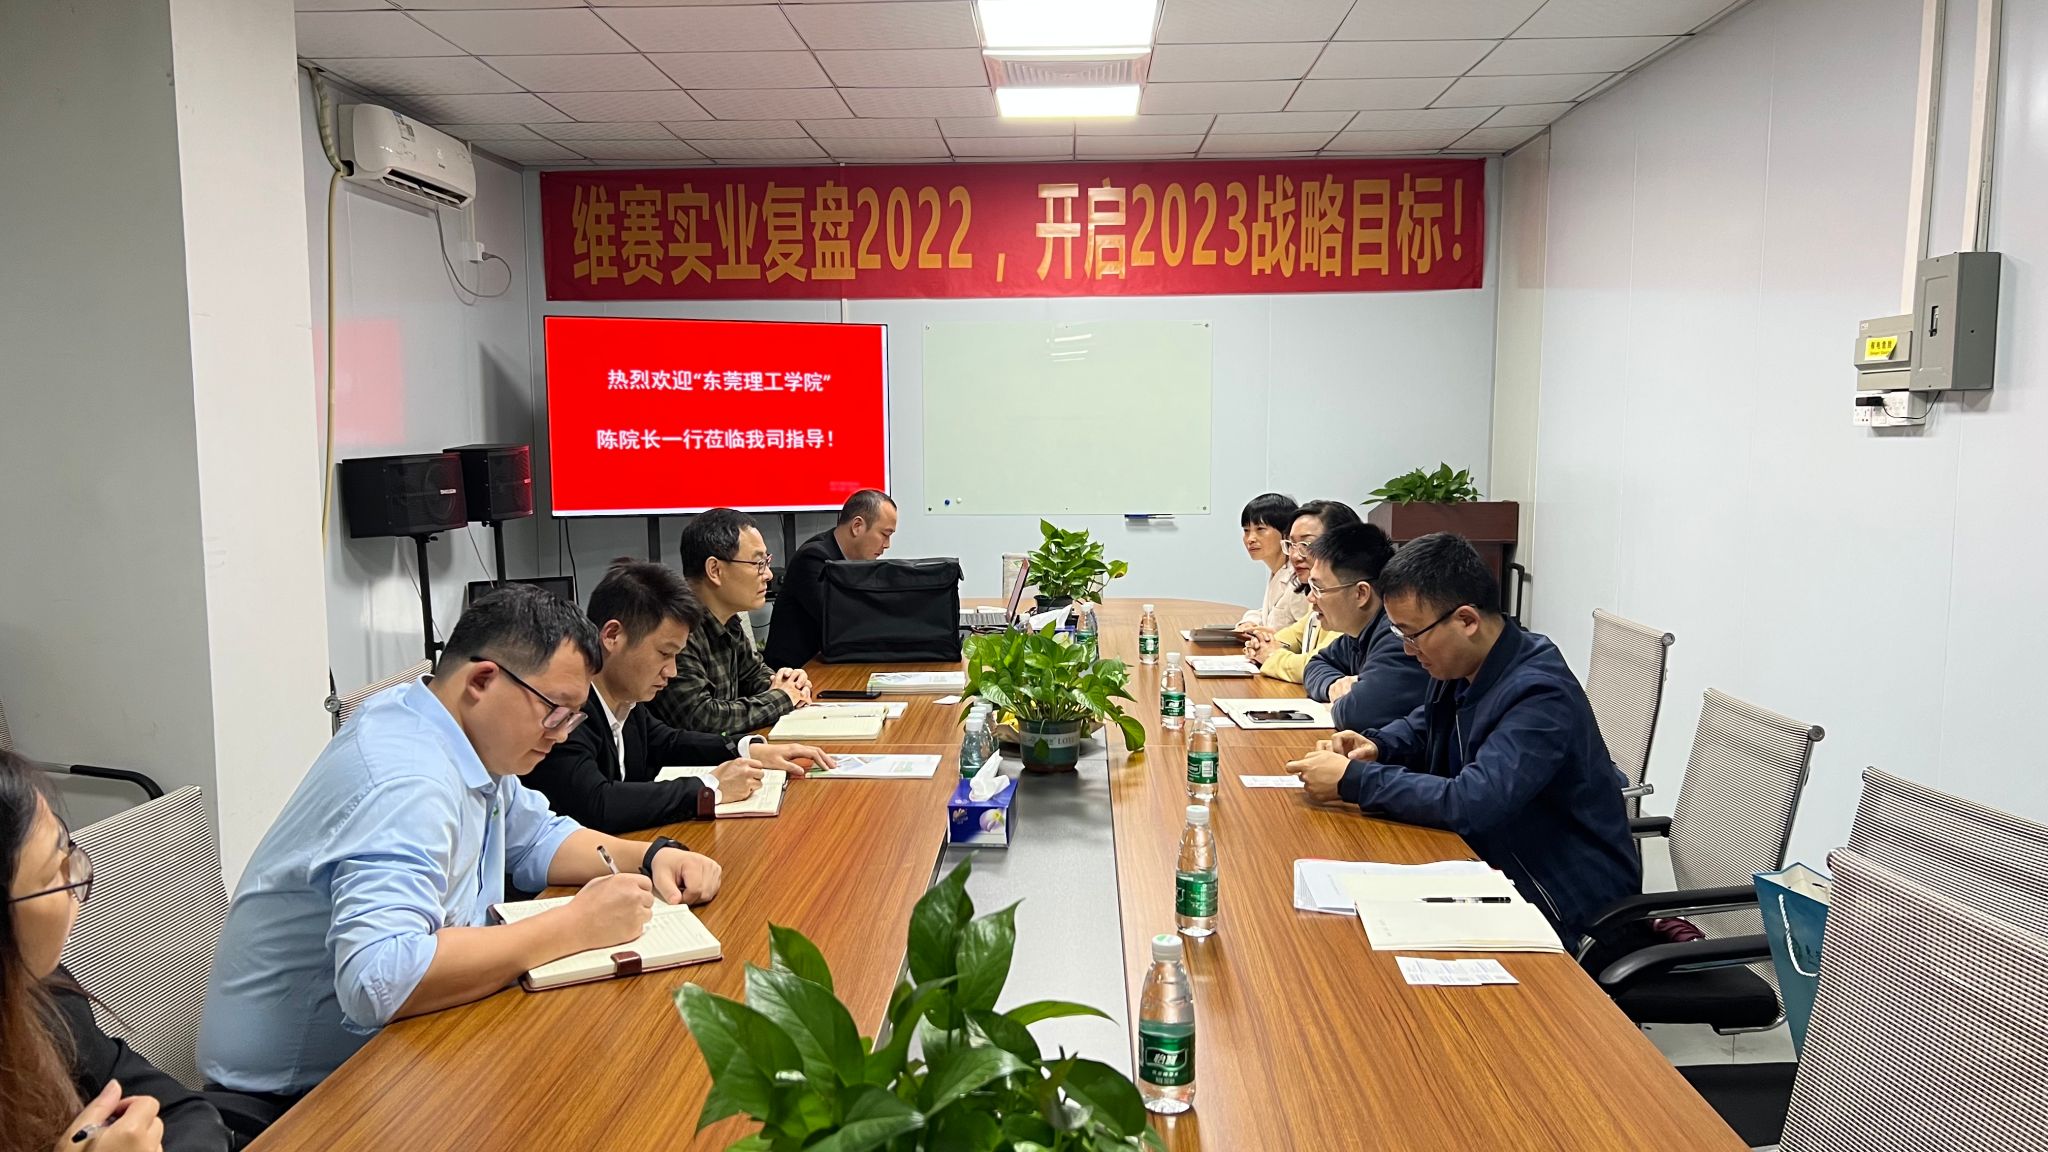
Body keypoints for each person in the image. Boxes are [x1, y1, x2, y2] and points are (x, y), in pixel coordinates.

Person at [199, 586, 723, 1100]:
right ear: (482, 680)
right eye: (555, 711)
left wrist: (651, 856)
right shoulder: (406, 780)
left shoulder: (453, 727)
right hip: (302, 1098)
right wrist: (574, 925)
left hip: (414, 1043)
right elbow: (380, 978)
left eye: (573, 717)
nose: (563, 734)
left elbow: (536, 836)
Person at [1287, 533, 1640, 943]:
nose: (1407, 650)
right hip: (1488, 867)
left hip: (1563, 900)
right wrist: (1378, 745)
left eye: (1412, 634)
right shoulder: (1468, 663)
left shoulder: (1540, 693)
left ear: (1467, 620)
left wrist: (1354, 780)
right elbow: (1429, 722)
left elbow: (1474, 801)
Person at [3, 750, 230, 1152]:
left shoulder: (44, 993)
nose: (78, 882)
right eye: (53, 873)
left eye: (68, 848)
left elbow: (184, 1112)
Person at [528, 560, 837, 833]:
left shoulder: (626, 700)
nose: (672, 671)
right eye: (664, 653)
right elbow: (598, 803)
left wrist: (750, 749)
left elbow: (668, 742)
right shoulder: (566, 708)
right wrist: (709, 787)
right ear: (612, 636)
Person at [648, 509, 812, 737]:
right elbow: (701, 718)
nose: (768, 575)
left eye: (766, 562)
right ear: (715, 570)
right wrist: (782, 697)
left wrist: (788, 683)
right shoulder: (677, 628)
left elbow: (754, 675)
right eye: (758, 563)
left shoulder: (728, 619)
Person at [1298, 523, 1431, 731]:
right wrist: (1334, 685)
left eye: (1319, 588)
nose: (1310, 598)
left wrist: (1347, 700)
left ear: (1361, 593)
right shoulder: (1359, 631)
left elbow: (1358, 714)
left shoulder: (1398, 635)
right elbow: (1315, 664)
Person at [764, 490, 898, 669]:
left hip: (830, 663)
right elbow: (841, 620)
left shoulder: (856, 561)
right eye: (885, 534)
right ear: (857, 526)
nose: (887, 545)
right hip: (796, 670)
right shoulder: (812, 558)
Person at [1244, 500, 1360, 683]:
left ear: (1343, 545)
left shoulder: (1348, 597)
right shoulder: (1315, 591)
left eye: (1307, 544)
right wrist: (1262, 644)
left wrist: (1271, 656)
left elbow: (1315, 664)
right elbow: (1294, 635)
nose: (1295, 555)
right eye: (1291, 545)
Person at [1234, 492, 1305, 637]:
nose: (1250, 539)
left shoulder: (1299, 579)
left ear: (1286, 533)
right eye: (1246, 531)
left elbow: (1307, 635)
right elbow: (1269, 614)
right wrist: (1249, 622)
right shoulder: (1278, 571)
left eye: (1260, 529)